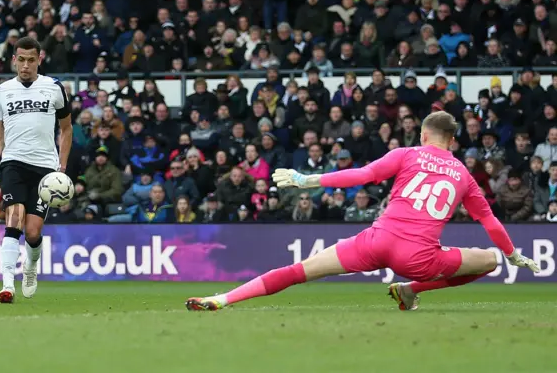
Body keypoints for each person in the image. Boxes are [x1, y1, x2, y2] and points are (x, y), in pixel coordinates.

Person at [186, 111, 538, 312]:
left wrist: (309, 179)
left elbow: (364, 175)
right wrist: (512, 254)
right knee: (489, 259)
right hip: (419, 258)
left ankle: (222, 298)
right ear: (452, 140)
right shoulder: (463, 173)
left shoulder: (407, 154)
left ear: (423, 134)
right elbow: (488, 220)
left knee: (299, 271)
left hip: (376, 241)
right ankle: (411, 290)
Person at [0, 37, 72, 304]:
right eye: (21, 59)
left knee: (32, 232)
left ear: (39, 59)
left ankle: (30, 268)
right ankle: (7, 285)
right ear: (14, 59)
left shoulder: (54, 88)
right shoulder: (2, 91)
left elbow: (66, 129)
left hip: (45, 169)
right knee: (13, 218)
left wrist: (61, 169)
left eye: (31, 60)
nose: (25, 65)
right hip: (13, 163)